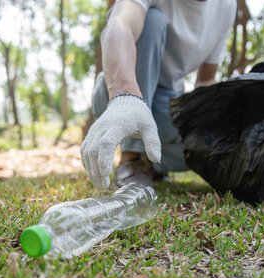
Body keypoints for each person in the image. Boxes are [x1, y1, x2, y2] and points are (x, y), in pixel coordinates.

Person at [81, 0, 236, 189]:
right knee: (152, 20)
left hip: (166, 107)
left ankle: (153, 162)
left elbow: (205, 80)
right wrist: (125, 96)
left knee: (215, 149)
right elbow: (120, 23)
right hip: (120, 95)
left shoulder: (227, 6)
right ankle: (132, 159)